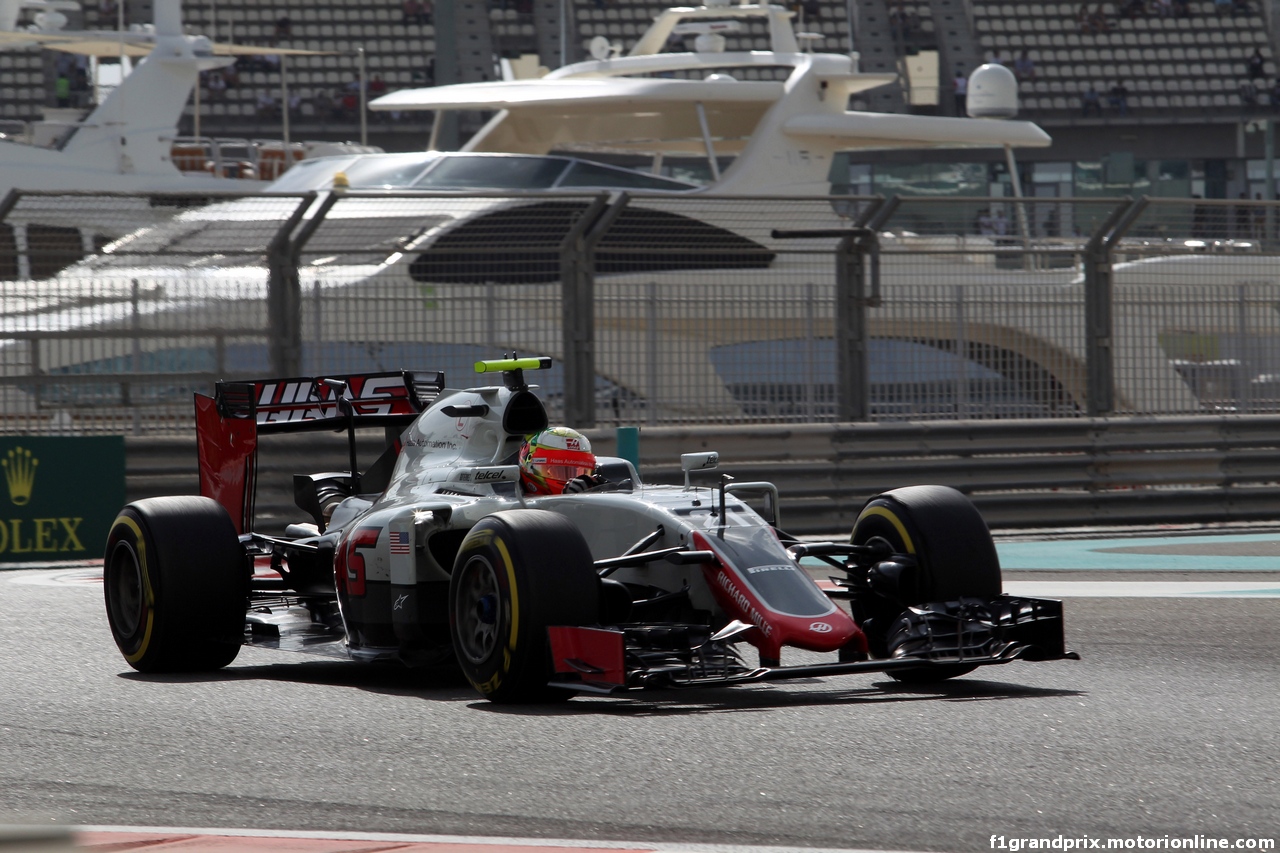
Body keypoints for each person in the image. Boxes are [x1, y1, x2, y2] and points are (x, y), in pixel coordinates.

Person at [518, 427, 608, 495]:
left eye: (577, 472)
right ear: (529, 464)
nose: (570, 482)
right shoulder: (508, 498)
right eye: (556, 471)